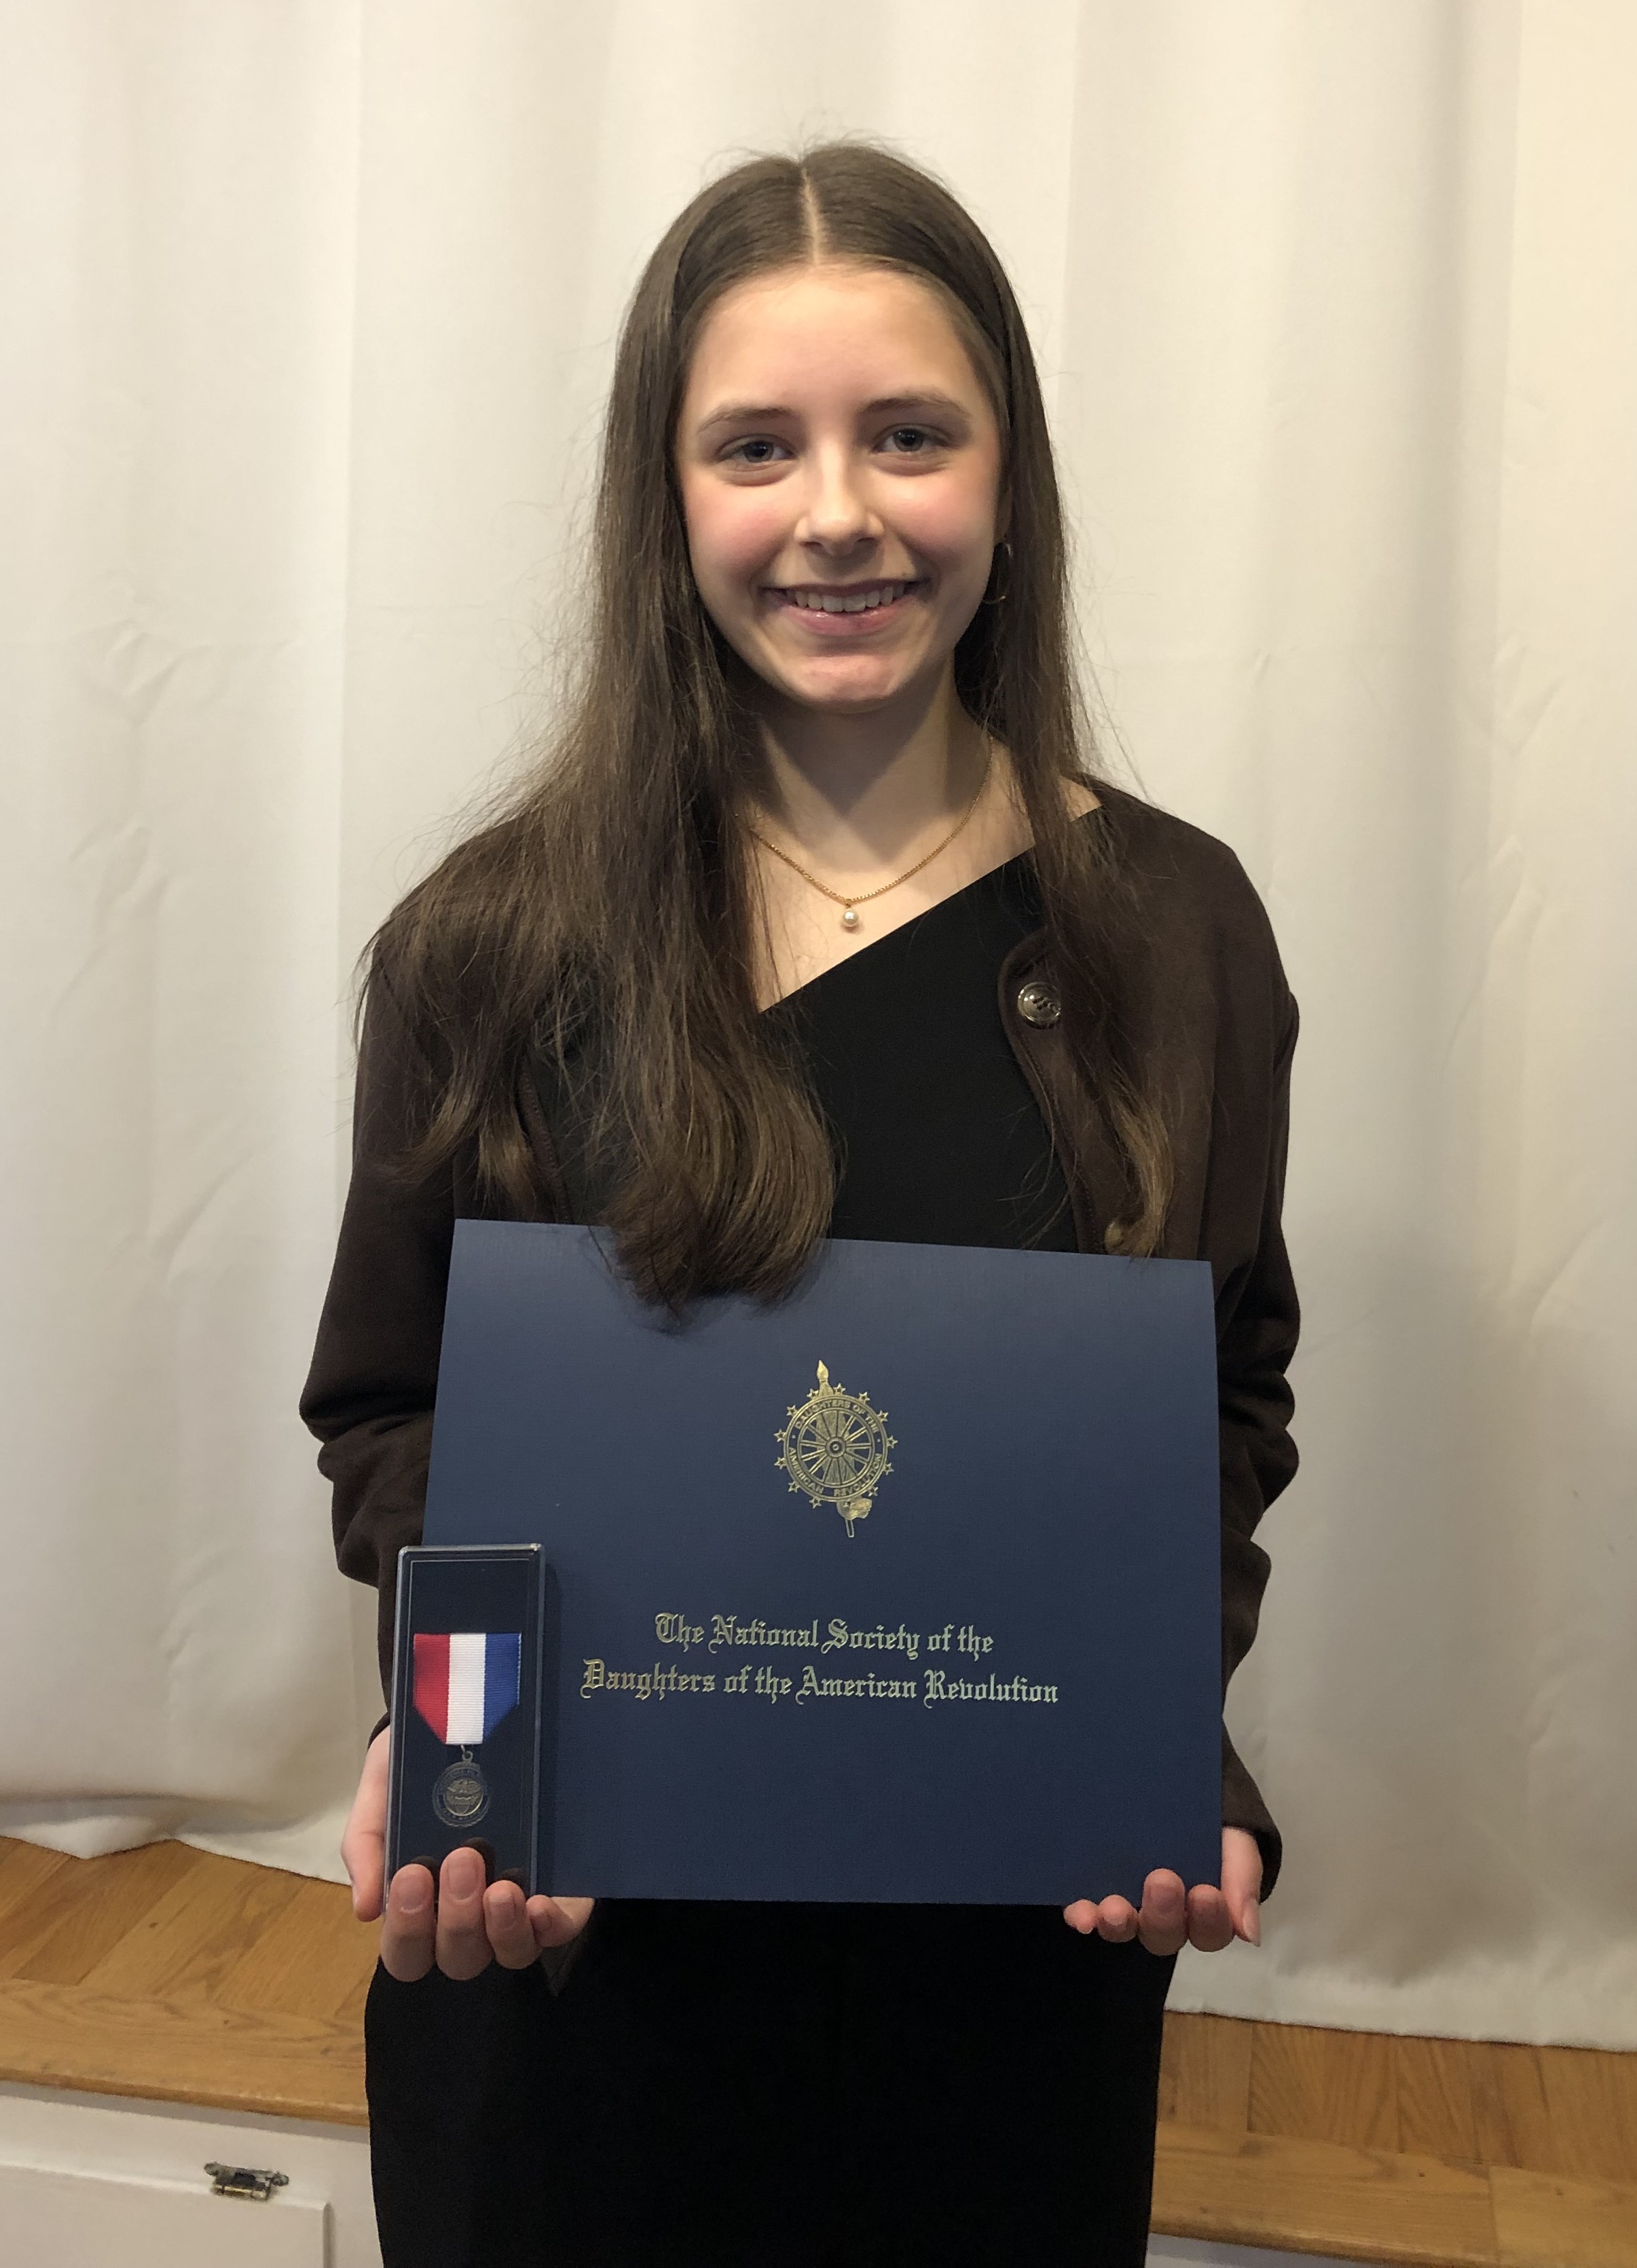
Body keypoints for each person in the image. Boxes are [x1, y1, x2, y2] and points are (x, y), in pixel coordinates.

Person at [301, 141, 1299, 2268]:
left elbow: (1216, 1403)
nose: (836, 511)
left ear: (1003, 479)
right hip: (574, 1991)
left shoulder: (1174, 931)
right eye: (755, 445)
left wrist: (1157, 1731)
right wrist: (467, 1752)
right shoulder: (488, 944)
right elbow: (395, 1425)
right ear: (666, 501)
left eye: (907, 437)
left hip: (999, 1987)